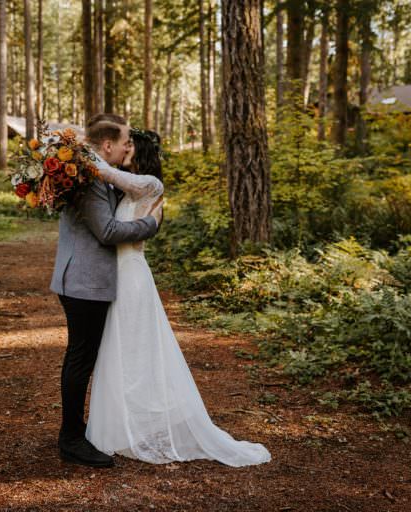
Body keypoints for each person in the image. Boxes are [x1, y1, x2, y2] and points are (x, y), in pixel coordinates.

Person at [85, 129, 272, 467]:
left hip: (133, 276)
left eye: (129, 145)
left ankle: (145, 423)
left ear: (138, 152)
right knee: (120, 351)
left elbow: (105, 170)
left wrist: (72, 145)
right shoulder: (125, 190)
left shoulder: (151, 185)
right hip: (117, 277)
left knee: (138, 352)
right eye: (123, 143)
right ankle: (125, 426)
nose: (124, 148)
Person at [49, 114, 163, 468]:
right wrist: (151, 224)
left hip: (88, 279)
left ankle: (80, 429)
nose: (129, 146)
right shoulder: (91, 180)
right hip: (83, 280)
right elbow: (109, 232)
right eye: (125, 140)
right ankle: (71, 438)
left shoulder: (95, 174)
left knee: (86, 357)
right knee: (81, 358)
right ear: (108, 145)